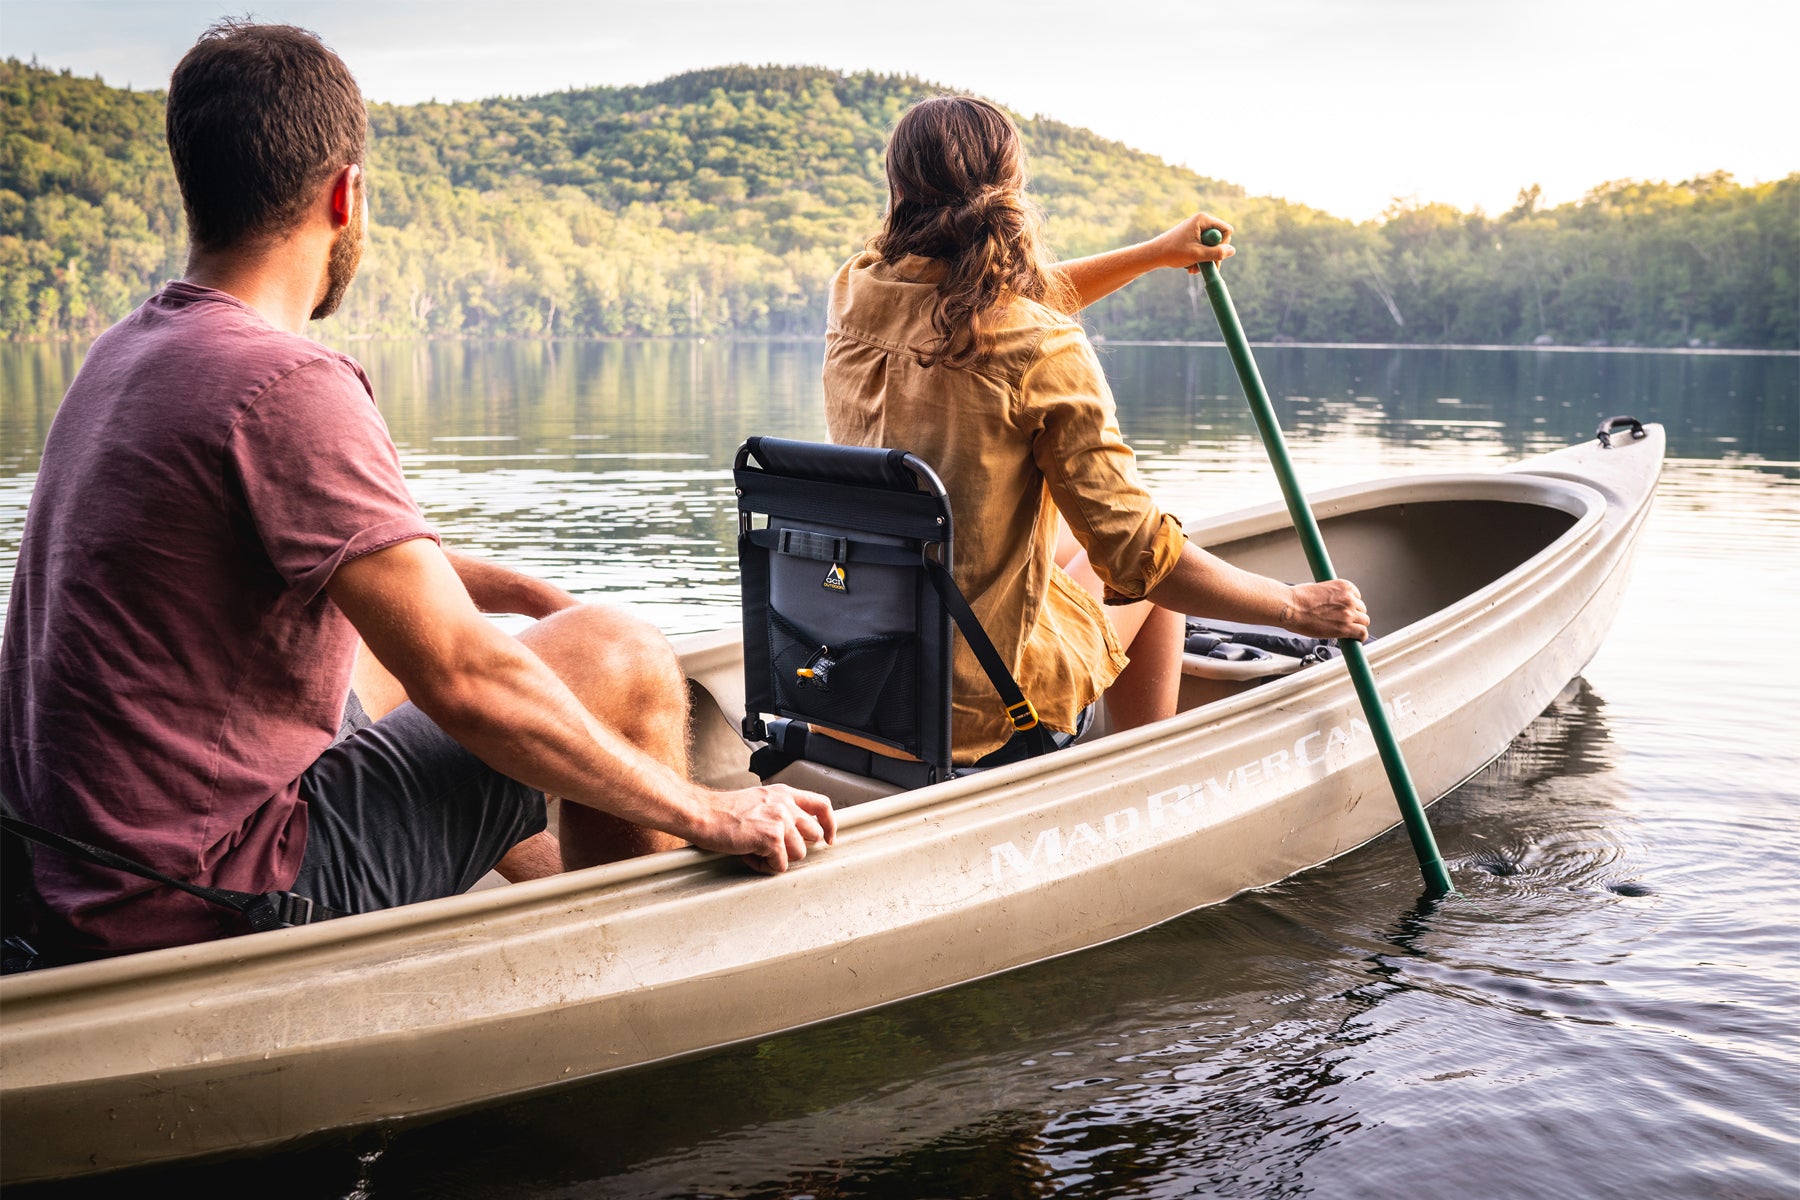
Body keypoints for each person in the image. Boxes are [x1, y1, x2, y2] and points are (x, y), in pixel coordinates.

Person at [0, 21, 833, 962]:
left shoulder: (131, 352)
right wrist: (713, 810)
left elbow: (338, 561)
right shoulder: (285, 384)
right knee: (620, 656)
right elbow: (469, 682)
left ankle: (549, 894)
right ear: (345, 195)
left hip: (76, 871)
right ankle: (634, 978)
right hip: (205, 896)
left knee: (376, 658)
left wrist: (510, 592)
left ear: (197, 185)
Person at [823, 96, 1369, 765]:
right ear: (1013, 191)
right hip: (972, 706)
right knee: (1148, 575)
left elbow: (988, 300)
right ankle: (1141, 776)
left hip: (849, 672)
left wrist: (1152, 254)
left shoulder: (856, 290)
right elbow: (1142, 560)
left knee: (1058, 545)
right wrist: (1294, 607)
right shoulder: (1041, 347)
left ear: (898, 187)